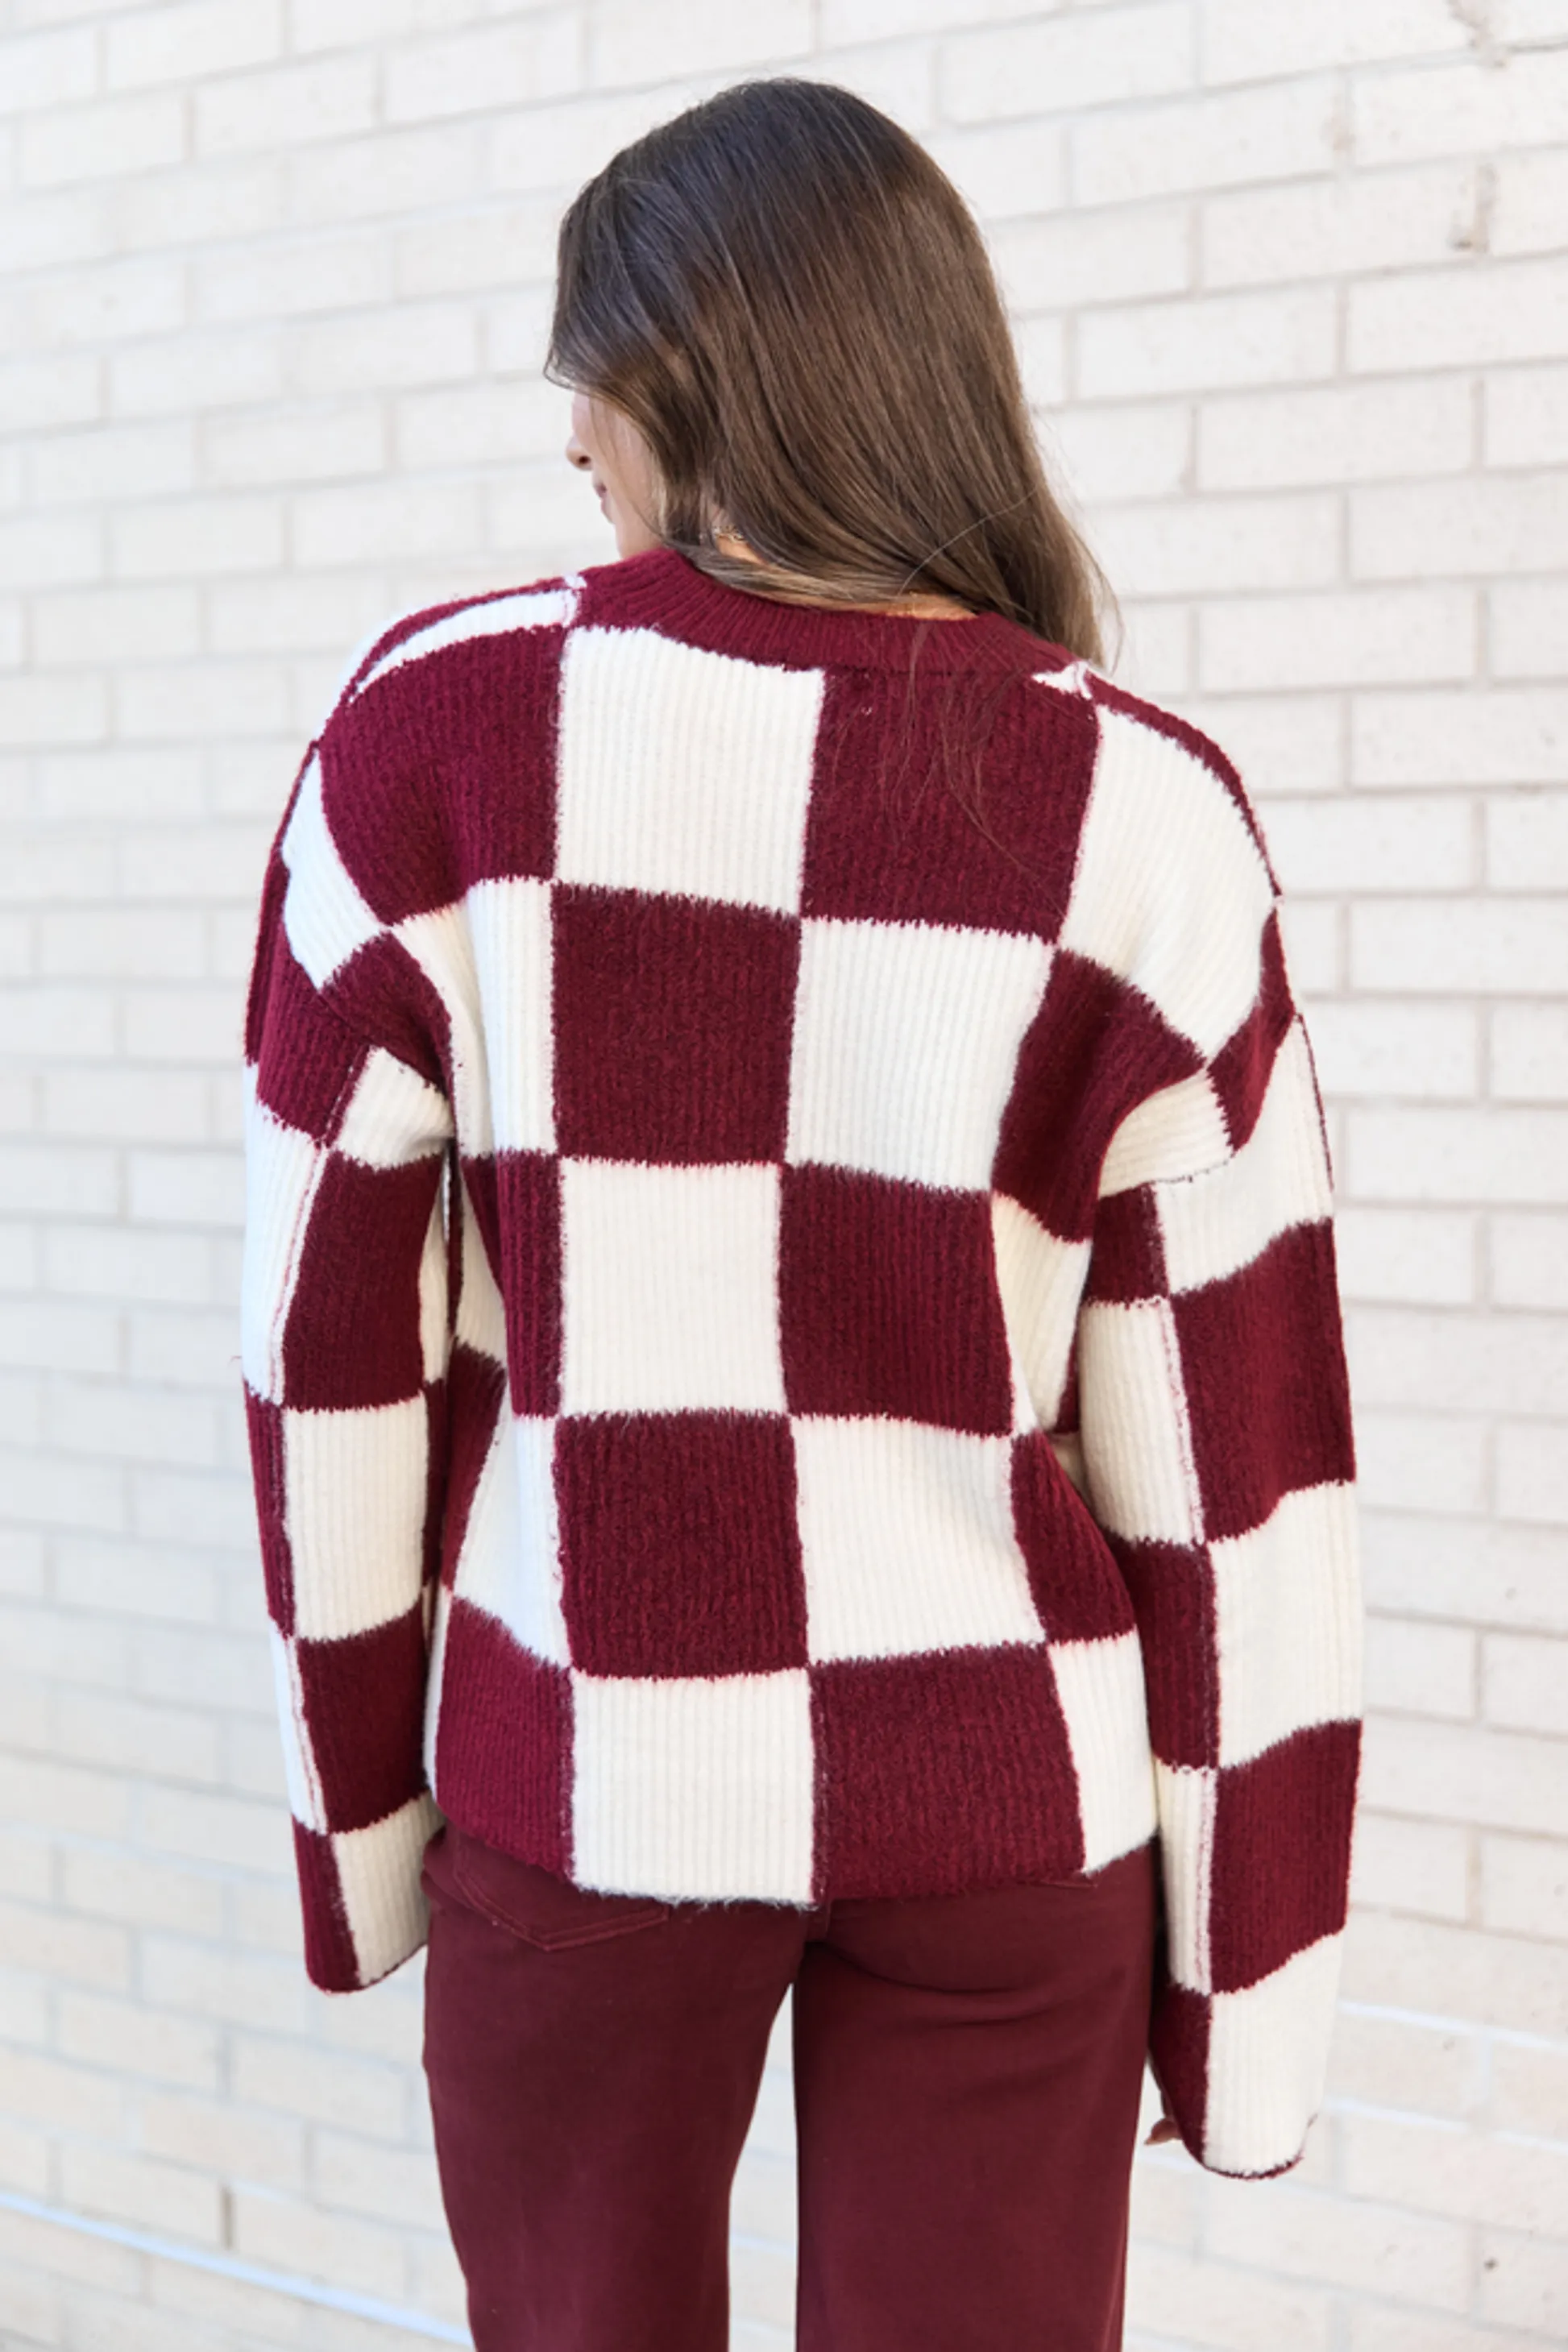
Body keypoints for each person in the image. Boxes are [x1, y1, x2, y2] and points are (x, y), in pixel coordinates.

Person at [239, 77, 1362, 2352]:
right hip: (1006, 1810)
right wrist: (1248, 2005)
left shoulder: (434, 737)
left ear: (695, 369)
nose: (572, 439)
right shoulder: (1143, 809)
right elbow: (1240, 1456)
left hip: (587, 1781)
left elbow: (326, 1360)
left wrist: (366, 1829)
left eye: (592, 376)